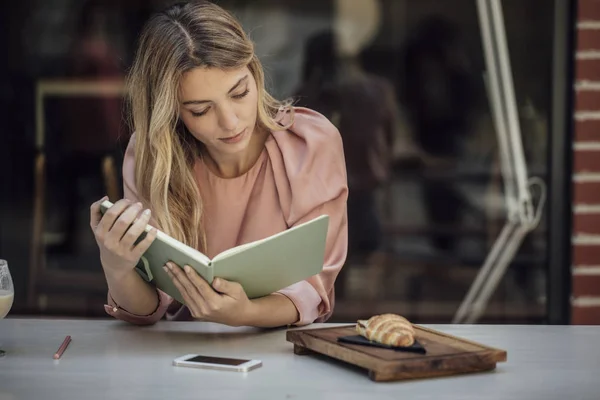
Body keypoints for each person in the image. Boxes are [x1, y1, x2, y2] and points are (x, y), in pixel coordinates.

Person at [88, 0, 348, 328]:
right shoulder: (152, 154)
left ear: (254, 72)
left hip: (285, 350)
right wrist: (116, 266)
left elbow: (314, 287)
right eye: (201, 110)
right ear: (172, 114)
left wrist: (245, 314)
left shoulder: (309, 143)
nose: (231, 122)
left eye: (239, 93)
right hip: (180, 353)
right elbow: (147, 310)